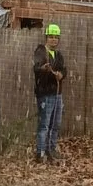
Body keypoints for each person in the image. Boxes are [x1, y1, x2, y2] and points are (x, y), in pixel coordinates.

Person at [33, 22, 67, 163]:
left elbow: (64, 70)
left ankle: (51, 149)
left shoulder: (58, 55)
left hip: (57, 94)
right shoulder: (41, 52)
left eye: (56, 37)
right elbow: (36, 68)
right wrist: (44, 69)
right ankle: (40, 153)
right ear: (46, 37)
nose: (54, 39)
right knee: (44, 124)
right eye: (51, 36)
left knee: (55, 124)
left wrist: (61, 75)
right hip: (46, 94)